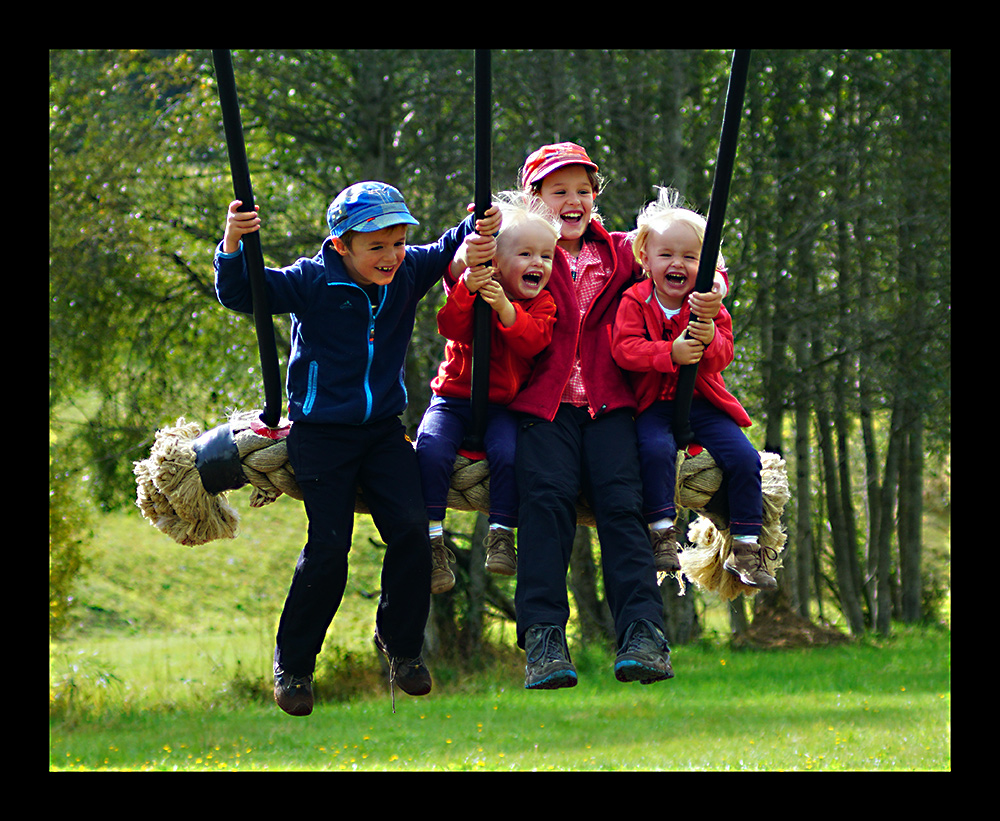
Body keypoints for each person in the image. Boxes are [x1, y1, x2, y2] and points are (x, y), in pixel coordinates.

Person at [215, 182, 500, 715]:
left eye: (397, 243)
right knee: (328, 552)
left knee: (415, 534)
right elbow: (241, 294)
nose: (391, 257)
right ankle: (294, 666)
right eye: (377, 247)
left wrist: (483, 220)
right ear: (342, 245)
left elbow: (444, 249)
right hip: (321, 434)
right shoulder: (311, 280)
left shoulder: (408, 272)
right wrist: (234, 241)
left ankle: (403, 648)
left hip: (383, 432)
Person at [499, 142, 726, 689]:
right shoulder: (525, 248)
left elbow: (692, 260)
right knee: (545, 504)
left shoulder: (624, 251)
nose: (573, 202)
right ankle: (545, 639)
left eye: (584, 191)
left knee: (623, 508)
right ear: (536, 199)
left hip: (609, 405)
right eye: (559, 192)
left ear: (596, 198)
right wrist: (482, 236)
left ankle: (643, 632)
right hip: (546, 406)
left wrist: (713, 289)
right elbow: (468, 260)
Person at [611, 187, 775, 590]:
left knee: (742, 457)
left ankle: (747, 546)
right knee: (654, 450)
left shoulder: (707, 306)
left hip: (703, 402)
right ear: (646, 259)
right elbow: (624, 349)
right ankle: (662, 531)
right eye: (666, 255)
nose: (677, 264)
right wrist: (671, 352)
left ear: (705, 265)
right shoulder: (634, 300)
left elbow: (723, 355)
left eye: (689, 257)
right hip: (653, 404)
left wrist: (706, 342)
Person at [416, 192, 559, 590]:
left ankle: (501, 534)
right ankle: (431, 541)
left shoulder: (543, 304)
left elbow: (534, 343)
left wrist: (506, 310)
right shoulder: (476, 287)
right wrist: (467, 289)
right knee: (430, 450)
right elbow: (450, 326)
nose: (538, 264)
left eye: (546, 257)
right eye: (527, 254)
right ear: (496, 261)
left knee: (509, 456)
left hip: (504, 407)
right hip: (453, 398)